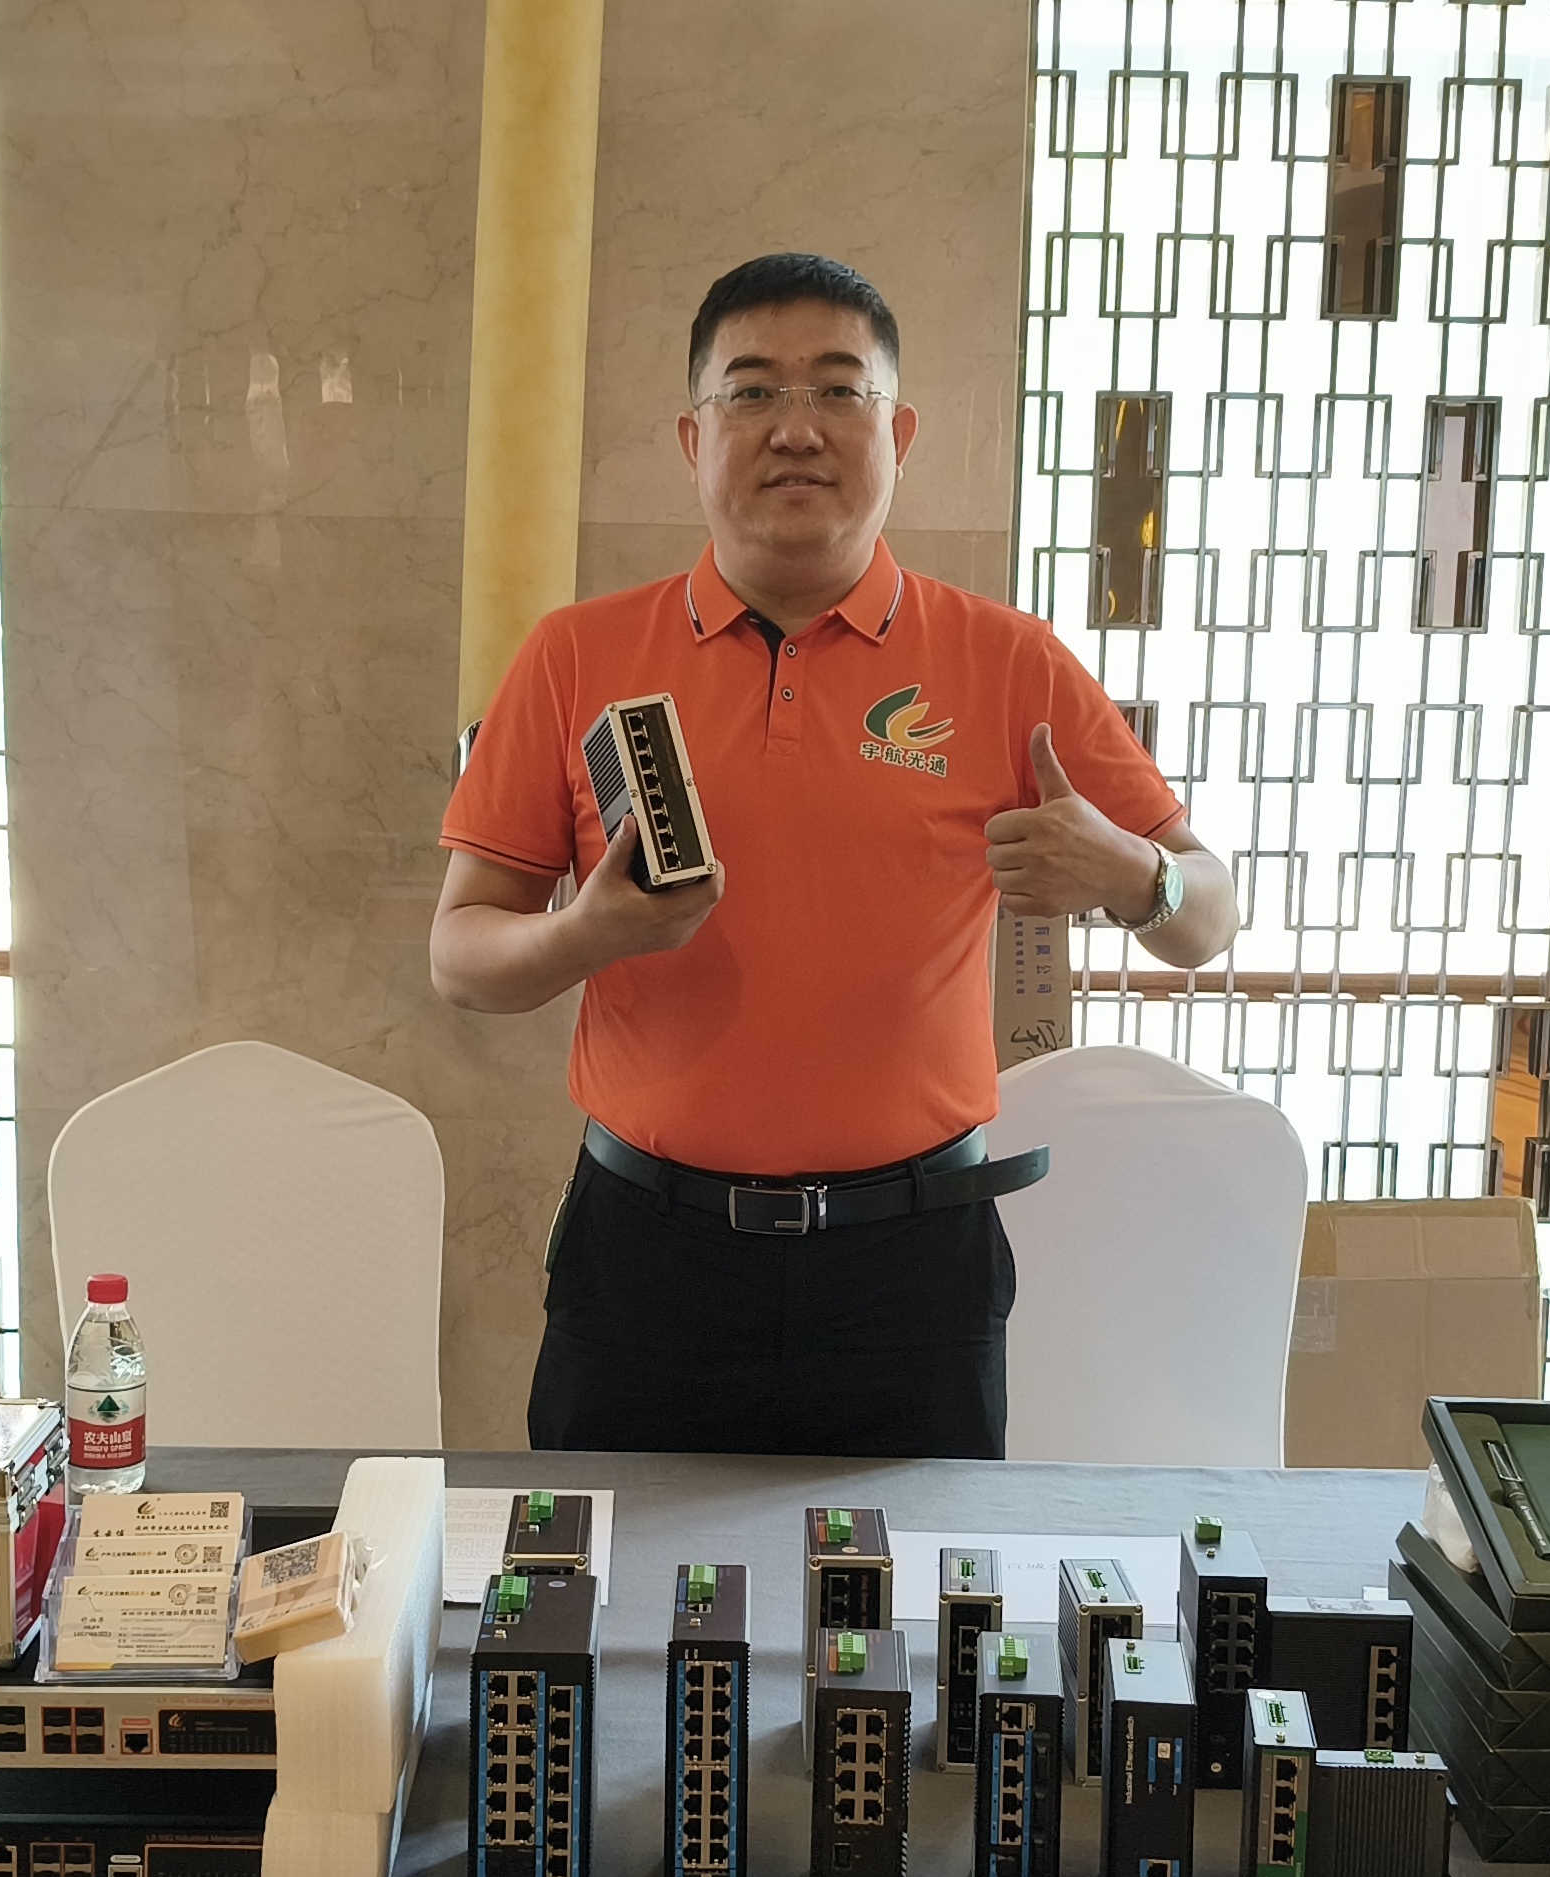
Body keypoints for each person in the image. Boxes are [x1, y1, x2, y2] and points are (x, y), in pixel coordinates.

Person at [433, 251, 1239, 1458]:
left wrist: (1135, 875)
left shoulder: (1007, 661)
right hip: (646, 1260)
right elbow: (460, 955)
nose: (795, 428)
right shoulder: (575, 656)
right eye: (752, 391)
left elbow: (1207, 916)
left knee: (910, 1582)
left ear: (898, 433)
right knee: (618, 1575)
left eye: (837, 390)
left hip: (911, 1272)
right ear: (693, 439)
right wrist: (586, 934)